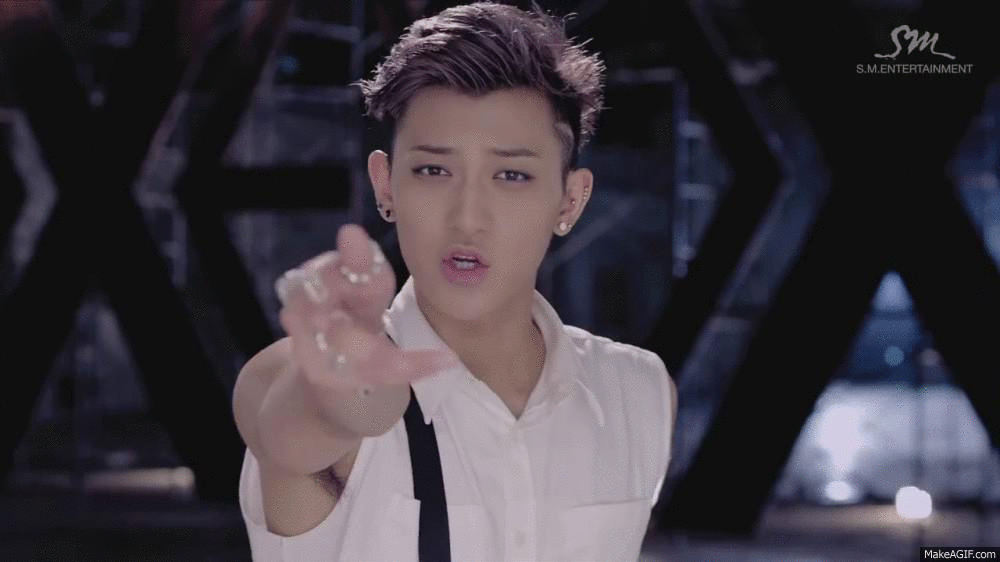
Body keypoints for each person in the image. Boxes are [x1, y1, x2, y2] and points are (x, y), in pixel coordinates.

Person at [231, 2, 677, 560]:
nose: (468, 217)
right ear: (386, 184)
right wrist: (341, 393)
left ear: (570, 199)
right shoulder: (307, 373)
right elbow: (292, 423)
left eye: (511, 175)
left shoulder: (638, 391)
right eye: (433, 170)